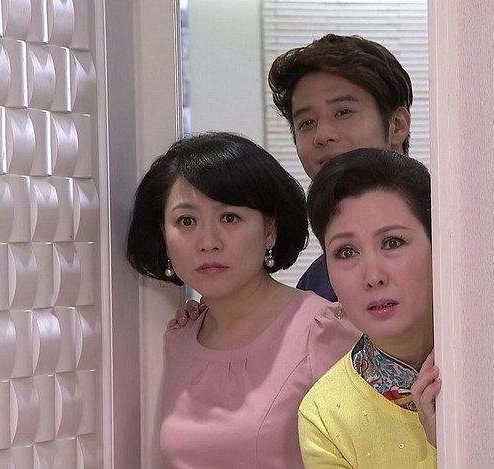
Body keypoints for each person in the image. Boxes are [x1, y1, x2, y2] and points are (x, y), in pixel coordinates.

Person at [126, 132, 360, 467]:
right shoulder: (177, 339)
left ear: (270, 229)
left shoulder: (323, 331)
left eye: (229, 218)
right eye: (186, 221)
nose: (208, 241)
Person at [172, 33, 415, 325]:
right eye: (307, 122)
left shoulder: (448, 242)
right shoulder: (316, 285)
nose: (322, 135)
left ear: (397, 125)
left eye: (343, 112)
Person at [298, 148, 439, 468]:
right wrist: (440, 449)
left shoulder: (493, 366)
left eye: (392, 242)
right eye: (346, 252)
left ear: (439, 244)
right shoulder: (325, 415)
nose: (373, 277)